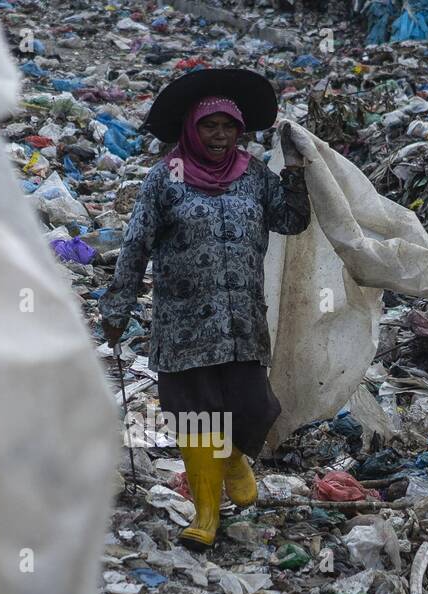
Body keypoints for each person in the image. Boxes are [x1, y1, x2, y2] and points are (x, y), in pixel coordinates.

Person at [102, 69, 312, 550]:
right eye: (209, 126)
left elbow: (292, 222)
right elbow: (136, 243)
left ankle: (235, 456)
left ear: (241, 132)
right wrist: (116, 306)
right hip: (184, 323)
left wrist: (296, 172)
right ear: (191, 130)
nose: (219, 136)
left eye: (228, 127)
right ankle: (206, 515)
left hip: (240, 321)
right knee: (197, 416)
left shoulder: (255, 175)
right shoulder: (166, 177)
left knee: (254, 408)